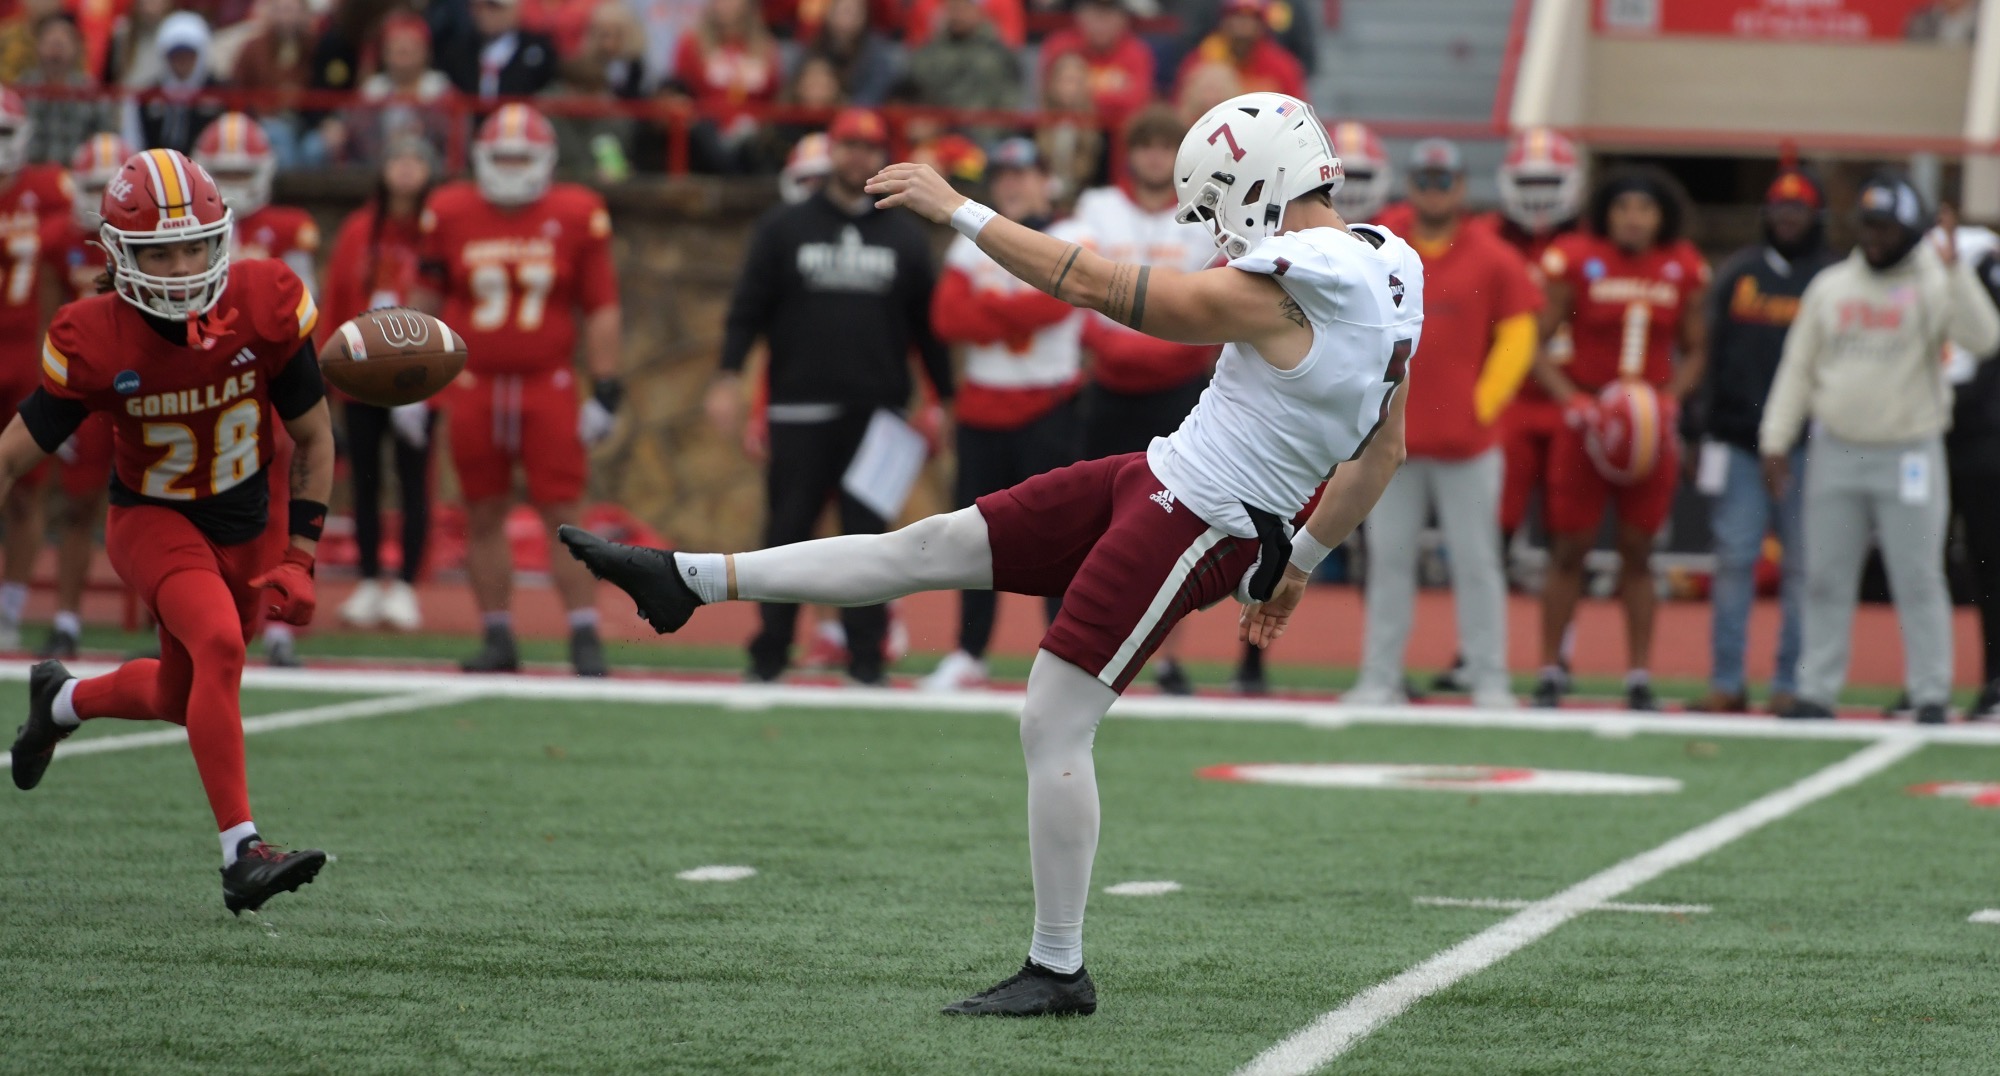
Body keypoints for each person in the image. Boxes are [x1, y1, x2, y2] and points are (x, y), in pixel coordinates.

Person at [560, 90, 1418, 1016]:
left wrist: (958, 208)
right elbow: (1384, 449)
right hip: (1163, 475)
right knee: (930, 545)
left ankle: (1058, 969)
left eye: (1213, 206)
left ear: (1256, 182)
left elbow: (1100, 288)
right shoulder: (1390, 266)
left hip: (1202, 518)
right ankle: (691, 580)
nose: (1213, 231)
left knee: (1054, 717)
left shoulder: (1303, 279)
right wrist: (1299, 567)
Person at [5, 147, 337, 914]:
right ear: (122, 254)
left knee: (183, 691)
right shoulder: (96, 336)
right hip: (151, 516)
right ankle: (242, 852)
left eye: (195, 244)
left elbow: (316, 439)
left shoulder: (265, 301)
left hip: (245, 520)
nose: (184, 265)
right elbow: (14, 454)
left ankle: (61, 702)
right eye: (160, 250)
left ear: (223, 236)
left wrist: (300, 554)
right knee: (219, 645)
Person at [706, 107, 952, 685]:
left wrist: (945, 399)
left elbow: (927, 328)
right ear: (831, 150)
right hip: (799, 408)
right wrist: (726, 377)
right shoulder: (783, 227)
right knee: (786, 534)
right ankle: (768, 653)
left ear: (882, 156)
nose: (859, 157)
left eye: (870, 147)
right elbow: (748, 311)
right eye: (849, 145)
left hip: (879, 416)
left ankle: (866, 659)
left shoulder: (904, 235)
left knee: (868, 541)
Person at [1761, 176, 2000, 723]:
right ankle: (1817, 689)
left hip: (1910, 452)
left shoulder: (1934, 284)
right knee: (1825, 575)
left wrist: (1955, 274)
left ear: (1910, 232)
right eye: (1867, 226)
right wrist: (1775, 438)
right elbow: (1798, 367)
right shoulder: (1831, 286)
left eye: (1886, 228)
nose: (1874, 238)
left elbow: (1986, 339)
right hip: (1836, 450)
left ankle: (1930, 690)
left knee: (1918, 577)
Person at [414, 104, 624, 676]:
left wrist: (605, 387)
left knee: (566, 512)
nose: (509, 168)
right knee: (481, 512)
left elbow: (601, 305)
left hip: (547, 383)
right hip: (474, 383)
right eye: (500, 157)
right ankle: (498, 635)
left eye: (520, 157)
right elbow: (426, 301)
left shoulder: (577, 211)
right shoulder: (449, 210)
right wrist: (412, 378)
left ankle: (584, 635)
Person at [1343, 139, 1536, 710]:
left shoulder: (1493, 254)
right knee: (1389, 561)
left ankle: (1488, 676)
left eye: (1443, 180)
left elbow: (1520, 330)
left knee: (1478, 563)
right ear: (1412, 183)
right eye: (1424, 180)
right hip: (1387, 440)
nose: (1433, 189)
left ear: (1459, 186)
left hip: (1468, 446)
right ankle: (1379, 678)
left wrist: (1484, 403)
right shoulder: (1378, 245)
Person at [1530, 167, 1708, 711]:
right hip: (1588, 421)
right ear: (1606, 211)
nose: (1633, 218)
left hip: (1647, 426)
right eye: (1623, 207)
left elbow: (1697, 347)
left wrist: (1671, 398)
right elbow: (1534, 343)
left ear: (1662, 217)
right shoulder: (1575, 256)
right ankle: (1551, 667)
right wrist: (1572, 400)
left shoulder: (1682, 266)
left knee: (1639, 550)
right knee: (1569, 549)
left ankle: (1637, 673)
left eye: (1645, 209)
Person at [1068, 104, 1220, 694]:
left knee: (1178, 518)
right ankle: (1083, 640)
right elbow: (1074, 290)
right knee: (1100, 515)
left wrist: (1154, 349)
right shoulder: (1098, 208)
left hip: (1179, 387)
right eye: (1146, 145)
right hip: (1109, 387)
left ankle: (1165, 656)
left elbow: (1215, 307)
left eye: (1166, 146)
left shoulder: (1205, 217)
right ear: (1130, 152)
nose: (1155, 157)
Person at [922, 138, 1082, 692]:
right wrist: (1013, 316)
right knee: (972, 538)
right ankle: (970, 650)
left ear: (1045, 179)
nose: (1014, 184)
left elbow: (1058, 302)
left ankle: (1063, 656)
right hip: (983, 409)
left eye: (1024, 173)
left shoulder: (1069, 234)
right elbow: (947, 317)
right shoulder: (972, 241)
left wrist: (991, 311)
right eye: (1005, 176)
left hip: (1049, 407)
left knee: (1057, 538)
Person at [1684, 171, 1834, 715]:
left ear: (1816, 216)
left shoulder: (1829, 277)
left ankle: (1790, 682)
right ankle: (1727, 680)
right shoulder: (1740, 274)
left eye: (1798, 210)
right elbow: (1712, 353)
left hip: (1808, 446)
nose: (1787, 219)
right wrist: (1700, 429)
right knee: (1733, 560)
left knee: (1802, 567)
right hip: (1739, 442)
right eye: (1779, 208)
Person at [196, 112, 320, 667]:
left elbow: (304, 309)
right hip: (199, 381)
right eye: (223, 171)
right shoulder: (188, 231)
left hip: (266, 379)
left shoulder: (288, 225)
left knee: (274, 498)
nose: (235, 181)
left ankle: (275, 622)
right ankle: (191, 616)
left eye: (243, 169)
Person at [323, 135, 438, 633]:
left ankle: (408, 585)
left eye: (416, 157)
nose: (407, 169)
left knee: (415, 480)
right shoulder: (358, 229)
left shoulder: (437, 229)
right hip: (364, 375)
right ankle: (369, 580)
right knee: (365, 481)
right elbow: (336, 299)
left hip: (420, 375)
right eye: (398, 157)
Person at [31, 131, 130, 660]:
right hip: (86, 393)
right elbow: (50, 327)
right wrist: (53, 397)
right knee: (77, 504)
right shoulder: (61, 239)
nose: (100, 198)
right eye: (92, 186)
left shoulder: (150, 240)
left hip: (142, 387)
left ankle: (171, 623)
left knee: (167, 507)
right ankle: (67, 617)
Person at [0, 90, 71, 651]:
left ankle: (11, 606)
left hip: (27, 356)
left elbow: (75, 240)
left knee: (26, 491)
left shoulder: (47, 189)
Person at [667, 0, 780, 173]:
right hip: (706, 134)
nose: (726, 4)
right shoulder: (691, 44)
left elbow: (775, 94)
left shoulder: (766, 47)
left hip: (753, 135)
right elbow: (679, 89)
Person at [1037, 0, 1153, 134]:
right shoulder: (1059, 45)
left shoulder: (1137, 52)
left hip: (1118, 142)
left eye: (1109, 14)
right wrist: (1111, 91)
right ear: (1079, 15)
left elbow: (1136, 103)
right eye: (1095, 13)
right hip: (1064, 134)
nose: (1101, 24)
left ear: (1123, 19)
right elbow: (1053, 99)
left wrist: (1080, 93)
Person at [18, 12, 117, 164]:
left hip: (75, 177)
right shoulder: (21, 88)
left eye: (63, 41)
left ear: (77, 47)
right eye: (50, 40)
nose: (56, 47)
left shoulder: (92, 92)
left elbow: (106, 140)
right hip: (27, 172)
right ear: (37, 45)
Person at [902, 0, 1022, 113]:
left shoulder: (998, 54)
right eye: (953, 8)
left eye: (964, 8)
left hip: (985, 129)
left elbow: (1009, 100)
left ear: (978, 12)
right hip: (938, 127)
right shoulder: (929, 52)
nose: (957, 15)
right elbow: (914, 91)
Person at [1172, 0, 1304, 101]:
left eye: (1250, 18)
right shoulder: (1202, 59)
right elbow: (1182, 112)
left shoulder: (1282, 65)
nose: (1242, 25)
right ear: (1223, 21)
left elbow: (1296, 113)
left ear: (1262, 25)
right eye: (1236, 16)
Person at [437, 0, 560, 101]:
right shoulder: (457, 50)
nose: (484, 13)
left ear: (515, 9)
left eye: (493, 7)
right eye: (478, 7)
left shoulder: (539, 49)